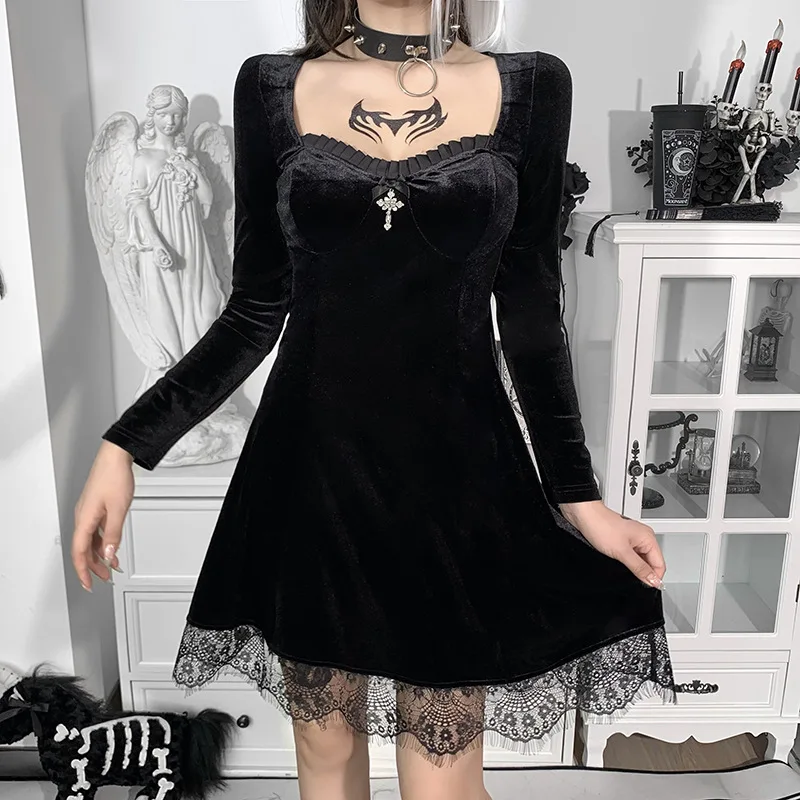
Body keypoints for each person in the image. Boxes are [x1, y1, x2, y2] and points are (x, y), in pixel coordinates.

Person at [72, 1, 675, 798]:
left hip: (456, 482)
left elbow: (531, 316)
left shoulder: (532, 87)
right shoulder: (271, 87)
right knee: (325, 760)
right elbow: (254, 309)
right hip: (310, 481)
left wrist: (581, 500)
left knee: (441, 780)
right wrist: (127, 443)